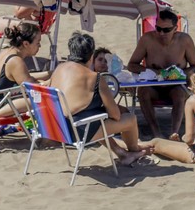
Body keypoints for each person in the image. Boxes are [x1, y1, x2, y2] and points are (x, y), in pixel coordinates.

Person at [47, 33, 152, 165]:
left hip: (55, 128)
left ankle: (122, 154)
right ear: (92, 56)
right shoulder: (94, 77)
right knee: (130, 119)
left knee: (95, 118)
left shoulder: (59, 69)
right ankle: (134, 154)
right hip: (75, 133)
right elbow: (116, 115)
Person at [126, 9, 195, 138]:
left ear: (175, 29)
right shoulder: (147, 40)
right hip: (153, 86)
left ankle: (174, 133)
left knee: (179, 94)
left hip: (175, 86)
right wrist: (155, 72)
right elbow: (132, 65)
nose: (161, 33)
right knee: (143, 92)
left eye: (166, 30)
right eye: (158, 28)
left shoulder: (184, 40)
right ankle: (156, 132)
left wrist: (178, 73)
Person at [0, 23, 50, 120]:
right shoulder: (15, 61)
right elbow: (33, 88)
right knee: (44, 99)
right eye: (37, 42)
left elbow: (24, 76)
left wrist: (49, 74)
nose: (40, 46)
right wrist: (50, 81)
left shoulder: (7, 52)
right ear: (26, 44)